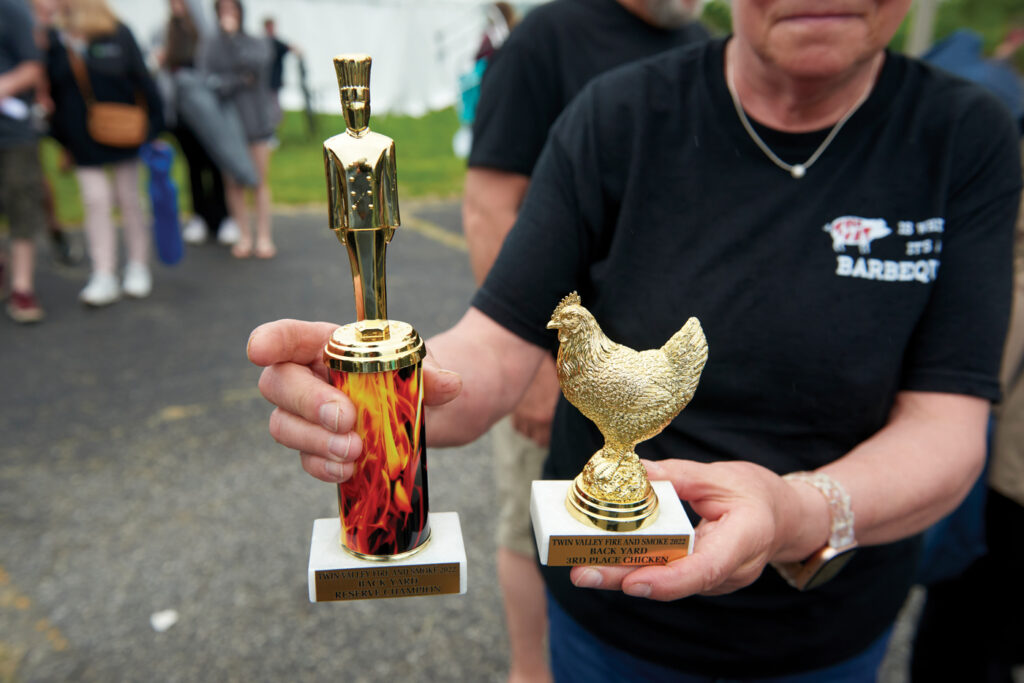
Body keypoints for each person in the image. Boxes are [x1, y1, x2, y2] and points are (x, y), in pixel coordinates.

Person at [248, 0, 1020, 679]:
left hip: (825, 635)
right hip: (610, 623)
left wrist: (796, 510)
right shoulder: (617, 114)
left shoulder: (964, 135)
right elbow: (492, 347)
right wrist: (380, 386)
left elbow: (949, 426)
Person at [463, 1, 707, 680]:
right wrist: (536, 373)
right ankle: (531, 670)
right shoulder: (548, 37)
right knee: (531, 525)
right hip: (552, 363)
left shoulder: (710, 48)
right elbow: (488, 205)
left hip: (646, 371)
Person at [45, 0, 163, 307]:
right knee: (95, 201)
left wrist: (153, 129)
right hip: (81, 139)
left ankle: (137, 265)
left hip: (122, 132)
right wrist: (61, 138)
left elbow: (143, 80)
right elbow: (52, 90)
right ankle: (103, 271)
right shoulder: (56, 38)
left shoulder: (117, 33)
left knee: (129, 199)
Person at [202, 0, 276, 260]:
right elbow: (209, 80)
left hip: (256, 121)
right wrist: (239, 80)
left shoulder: (254, 42)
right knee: (233, 182)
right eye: (223, 10)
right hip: (228, 124)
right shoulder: (211, 45)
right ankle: (244, 234)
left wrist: (234, 41)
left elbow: (258, 65)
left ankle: (263, 236)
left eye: (232, 9)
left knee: (259, 181)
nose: (228, 15)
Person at [158, 0, 236, 247]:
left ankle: (224, 217)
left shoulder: (206, 33)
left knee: (215, 163)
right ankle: (199, 216)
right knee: (193, 165)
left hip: (207, 109)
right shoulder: (163, 32)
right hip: (181, 113)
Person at [0, 0, 47, 323]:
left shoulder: (13, 10)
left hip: (13, 133)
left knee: (22, 202)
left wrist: (3, 86)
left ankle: (22, 286)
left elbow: (33, 66)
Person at [262, 16, 299, 128]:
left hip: (274, 79)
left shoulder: (276, 43)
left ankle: (273, 127)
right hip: (264, 80)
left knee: (274, 104)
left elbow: (290, 48)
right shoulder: (262, 43)